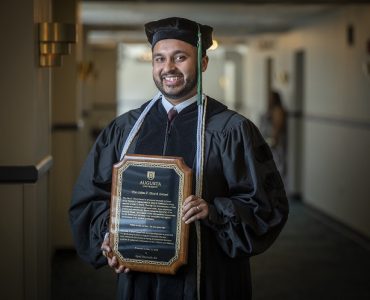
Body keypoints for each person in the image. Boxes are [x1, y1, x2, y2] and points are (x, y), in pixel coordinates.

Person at [69, 17, 289, 300]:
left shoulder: (232, 130)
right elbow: (90, 198)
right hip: (140, 282)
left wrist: (214, 211)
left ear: (203, 63)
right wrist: (109, 238)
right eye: (159, 58)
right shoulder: (124, 129)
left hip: (209, 279)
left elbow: (267, 207)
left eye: (180, 57)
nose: (168, 67)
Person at [260, 90, 288, 180]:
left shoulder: (278, 110)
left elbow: (278, 126)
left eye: (271, 97)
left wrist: (273, 139)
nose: (269, 99)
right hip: (269, 141)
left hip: (275, 143)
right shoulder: (270, 109)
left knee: (277, 165)